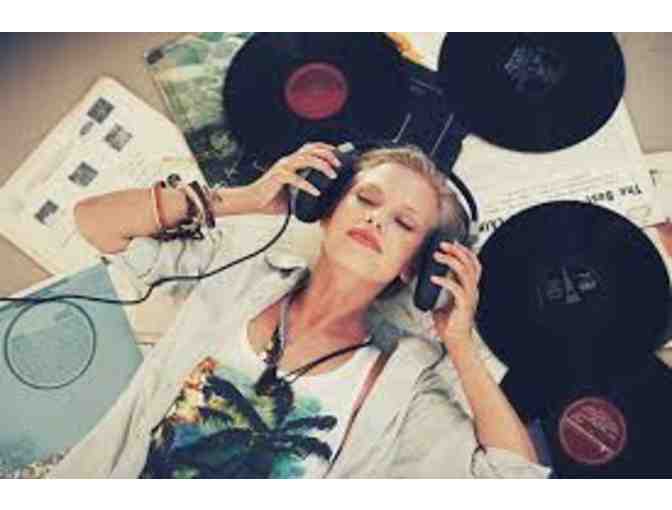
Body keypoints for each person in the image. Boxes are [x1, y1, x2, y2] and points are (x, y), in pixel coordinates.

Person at [48, 142, 550, 478]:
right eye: (366, 199)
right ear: (325, 208)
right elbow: (96, 223)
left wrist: (459, 345)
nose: (376, 219)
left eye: (403, 223)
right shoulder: (239, 274)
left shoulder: (401, 387)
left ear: (415, 268)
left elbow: (512, 480)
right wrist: (244, 199)